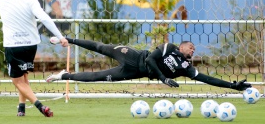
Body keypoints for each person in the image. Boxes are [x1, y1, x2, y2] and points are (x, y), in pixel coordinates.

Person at [46, 37, 252, 91]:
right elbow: (150, 60)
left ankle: (63, 75)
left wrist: (232, 86)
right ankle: (69, 39)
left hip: (133, 72)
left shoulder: (186, 68)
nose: (193, 51)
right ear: (182, 46)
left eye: (194, 51)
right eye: (191, 48)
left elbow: (208, 79)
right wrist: (163, 78)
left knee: (95, 77)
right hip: (133, 57)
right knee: (101, 47)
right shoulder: (169, 47)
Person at [0, 0, 69, 117]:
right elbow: (44, 18)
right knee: (23, 76)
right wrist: (60, 36)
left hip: (13, 45)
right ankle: (21, 108)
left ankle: (40, 106)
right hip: (30, 45)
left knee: (17, 81)